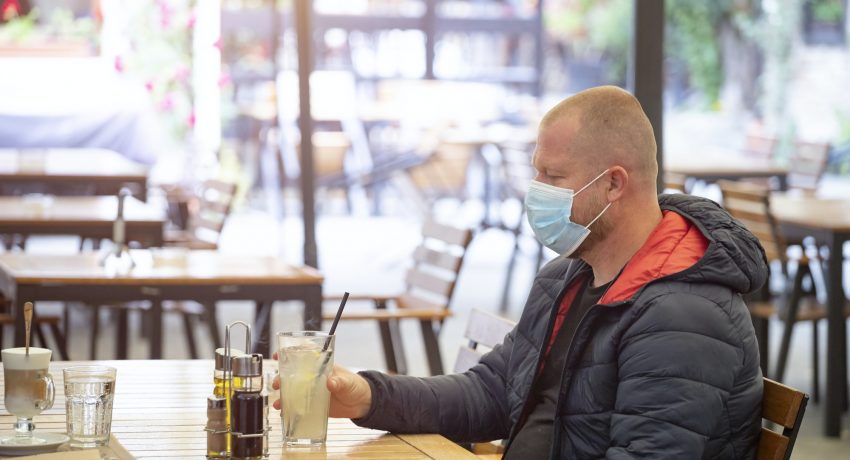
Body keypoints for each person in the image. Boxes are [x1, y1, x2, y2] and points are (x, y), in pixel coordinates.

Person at [273, 86, 766, 458]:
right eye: (537, 172)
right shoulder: (568, 278)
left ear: (614, 183)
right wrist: (369, 396)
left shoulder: (685, 317)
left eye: (553, 177)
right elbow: (490, 392)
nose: (535, 191)